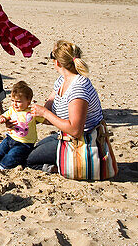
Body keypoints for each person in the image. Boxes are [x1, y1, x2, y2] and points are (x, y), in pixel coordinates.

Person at [26, 41, 106, 173]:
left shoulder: (78, 88)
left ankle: (63, 167)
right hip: (66, 135)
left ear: (57, 62)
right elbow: (47, 114)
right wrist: (20, 117)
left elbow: (75, 130)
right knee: (32, 147)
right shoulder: (62, 81)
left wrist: (45, 113)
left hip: (82, 141)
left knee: (28, 159)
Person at [0, 81, 42, 169]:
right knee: (0, 149)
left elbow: (44, 119)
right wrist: (2, 119)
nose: (15, 104)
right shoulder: (12, 110)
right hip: (11, 138)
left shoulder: (31, 112)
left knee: (13, 155)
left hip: (25, 143)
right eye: (13, 101)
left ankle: (4, 166)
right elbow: (4, 116)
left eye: (18, 101)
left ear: (28, 102)